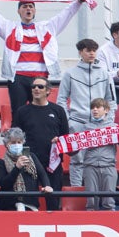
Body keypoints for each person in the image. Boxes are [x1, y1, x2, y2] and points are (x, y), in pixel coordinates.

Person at [0, 0, 84, 114]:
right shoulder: (9, 28)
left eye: (30, 6)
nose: (28, 8)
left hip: (40, 78)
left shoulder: (47, 27)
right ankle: (18, 133)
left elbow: (65, 15)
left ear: (34, 10)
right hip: (18, 77)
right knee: (18, 112)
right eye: (24, 6)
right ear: (18, 11)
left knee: (40, 111)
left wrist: (78, 2)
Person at [10, 78, 69, 210]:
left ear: (48, 90)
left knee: (53, 203)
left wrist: (58, 140)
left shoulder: (58, 111)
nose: (36, 89)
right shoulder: (22, 111)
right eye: (33, 86)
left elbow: (65, 137)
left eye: (40, 87)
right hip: (30, 163)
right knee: (30, 204)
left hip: (52, 164)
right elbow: (15, 137)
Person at [75, 98, 119, 211]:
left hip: (109, 166)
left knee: (109, 202)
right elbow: (74, 150)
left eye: (98, 107)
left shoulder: (115, 128)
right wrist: (62, 144)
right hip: (90, 167)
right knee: (91, 203)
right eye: (92, 108)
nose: (94, 110)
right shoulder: (85, 128)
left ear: (106, 110)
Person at [0, 127, 53, 212]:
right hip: (10, 206)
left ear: (23, 143)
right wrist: (17, 168)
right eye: (13, 142)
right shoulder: (1, 162)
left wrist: (47, 185)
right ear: (7, 144)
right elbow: (4, 184)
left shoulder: (31, 156)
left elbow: (42, 174)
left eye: (19, 142)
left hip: (31, 204)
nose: (16, 145)